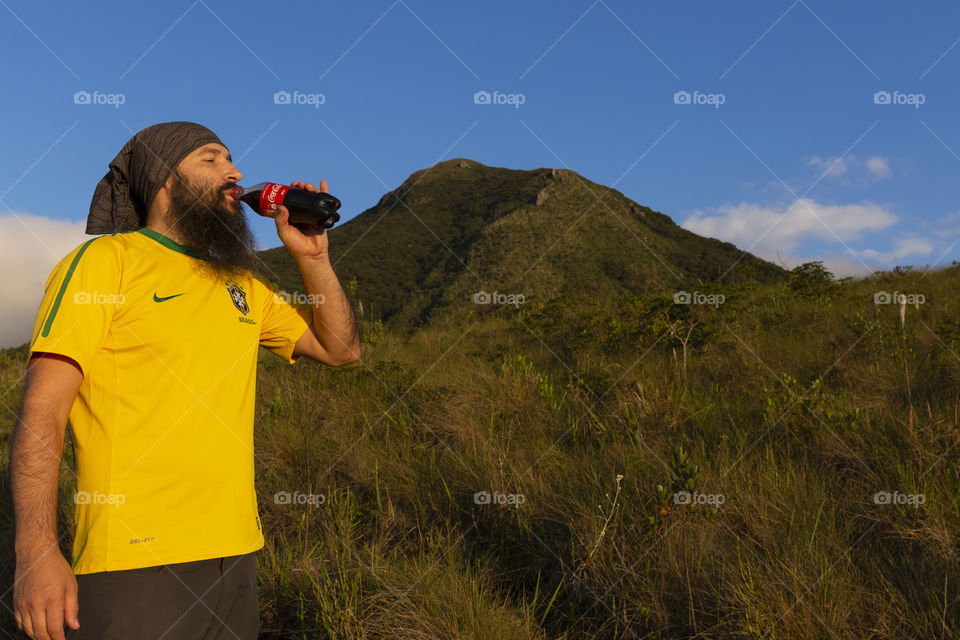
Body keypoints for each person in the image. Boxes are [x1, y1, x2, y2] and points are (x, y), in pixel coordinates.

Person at [10, 121, 361, 640]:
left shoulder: (243, 283)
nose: (234, 171)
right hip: (133, 563)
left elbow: (340, 349)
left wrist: (314, 258)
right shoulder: (107, 262)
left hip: (236, 555)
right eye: (211, 158)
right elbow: (42, 409)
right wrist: (35, 552)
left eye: (231, 159)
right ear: (164, 180)